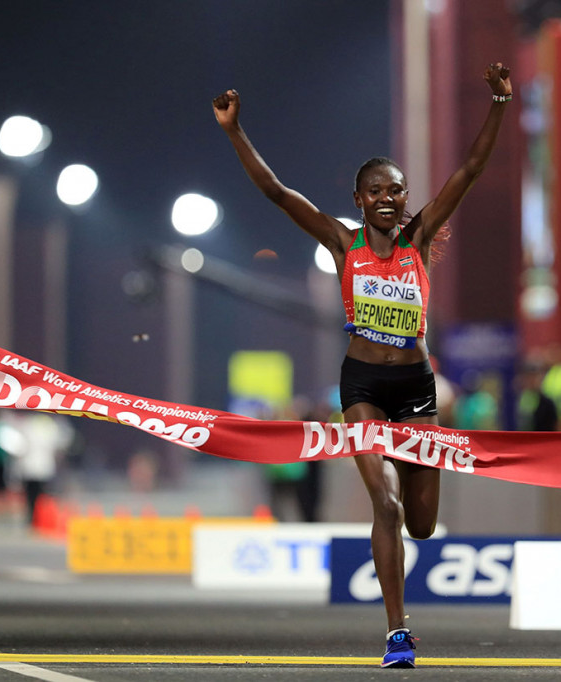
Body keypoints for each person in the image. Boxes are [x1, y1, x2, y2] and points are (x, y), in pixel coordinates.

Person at [213, 62, 512, 668]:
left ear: (404, 198)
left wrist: (500, 103)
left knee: (423, 525)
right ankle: (397, 632)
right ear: (357, 200)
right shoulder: (340, 241)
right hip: (363, 386)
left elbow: (472, 169)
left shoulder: (418, 238)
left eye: (395, 190)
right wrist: (234, 131)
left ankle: (404, 579)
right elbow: (275, 192)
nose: (386, 199)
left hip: (416, 388)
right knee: (387, 505)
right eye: (375, 191)